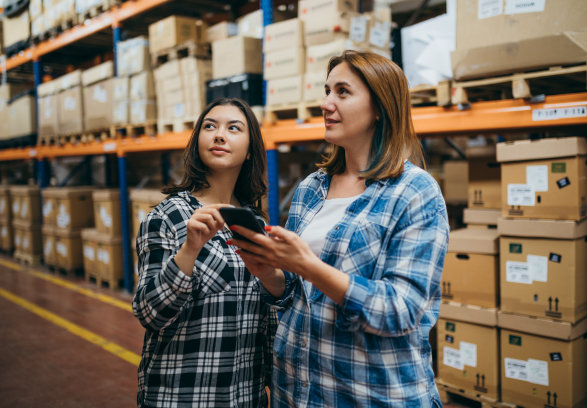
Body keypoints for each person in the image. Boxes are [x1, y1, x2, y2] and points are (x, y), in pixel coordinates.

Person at [230, 51, 449, 407]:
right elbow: (295, 296)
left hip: (371, 394)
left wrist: (308, 266)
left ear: (380, 107)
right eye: (327, 90)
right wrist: (270, 272)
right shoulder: (310, 189)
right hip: (297, 391)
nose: (326, 103)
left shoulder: (415, 193)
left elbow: (402, 311)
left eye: (343, 92)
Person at [132, 97, 277, 408]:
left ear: (250, 149)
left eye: (233, 128)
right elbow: (149, 313)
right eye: (210, 126)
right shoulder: (167, 217)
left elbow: (268, 324)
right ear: (198, 140)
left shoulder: (255, 223)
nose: (219, 134)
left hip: (245, 398)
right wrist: (190, 248)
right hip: (181, 397)